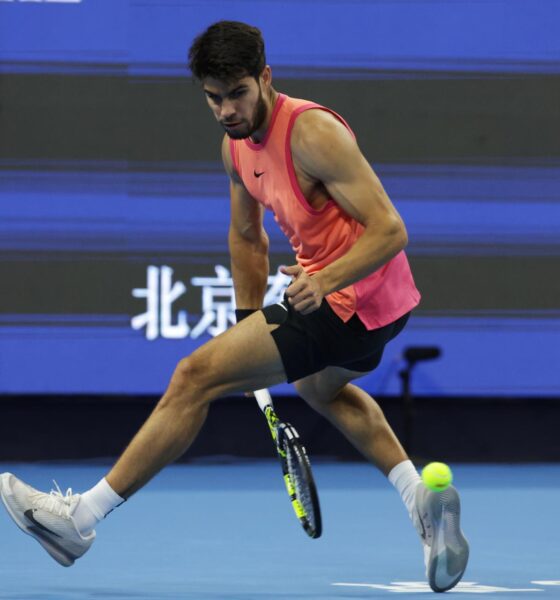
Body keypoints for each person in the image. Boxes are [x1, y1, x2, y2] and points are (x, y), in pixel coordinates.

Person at [0, 20, 468, 593]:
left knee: (193, 376)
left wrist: (326, 282)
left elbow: (391, 230)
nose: (225, 110)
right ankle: (420, 498)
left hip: (351, 297)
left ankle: (79, 521)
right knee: (321, 390)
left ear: (265, 78)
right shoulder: (234, 148)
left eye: (237, 93)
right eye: (213, 98)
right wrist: (250, 326)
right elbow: (247, 238)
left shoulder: (312, 134)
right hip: (379, 307)